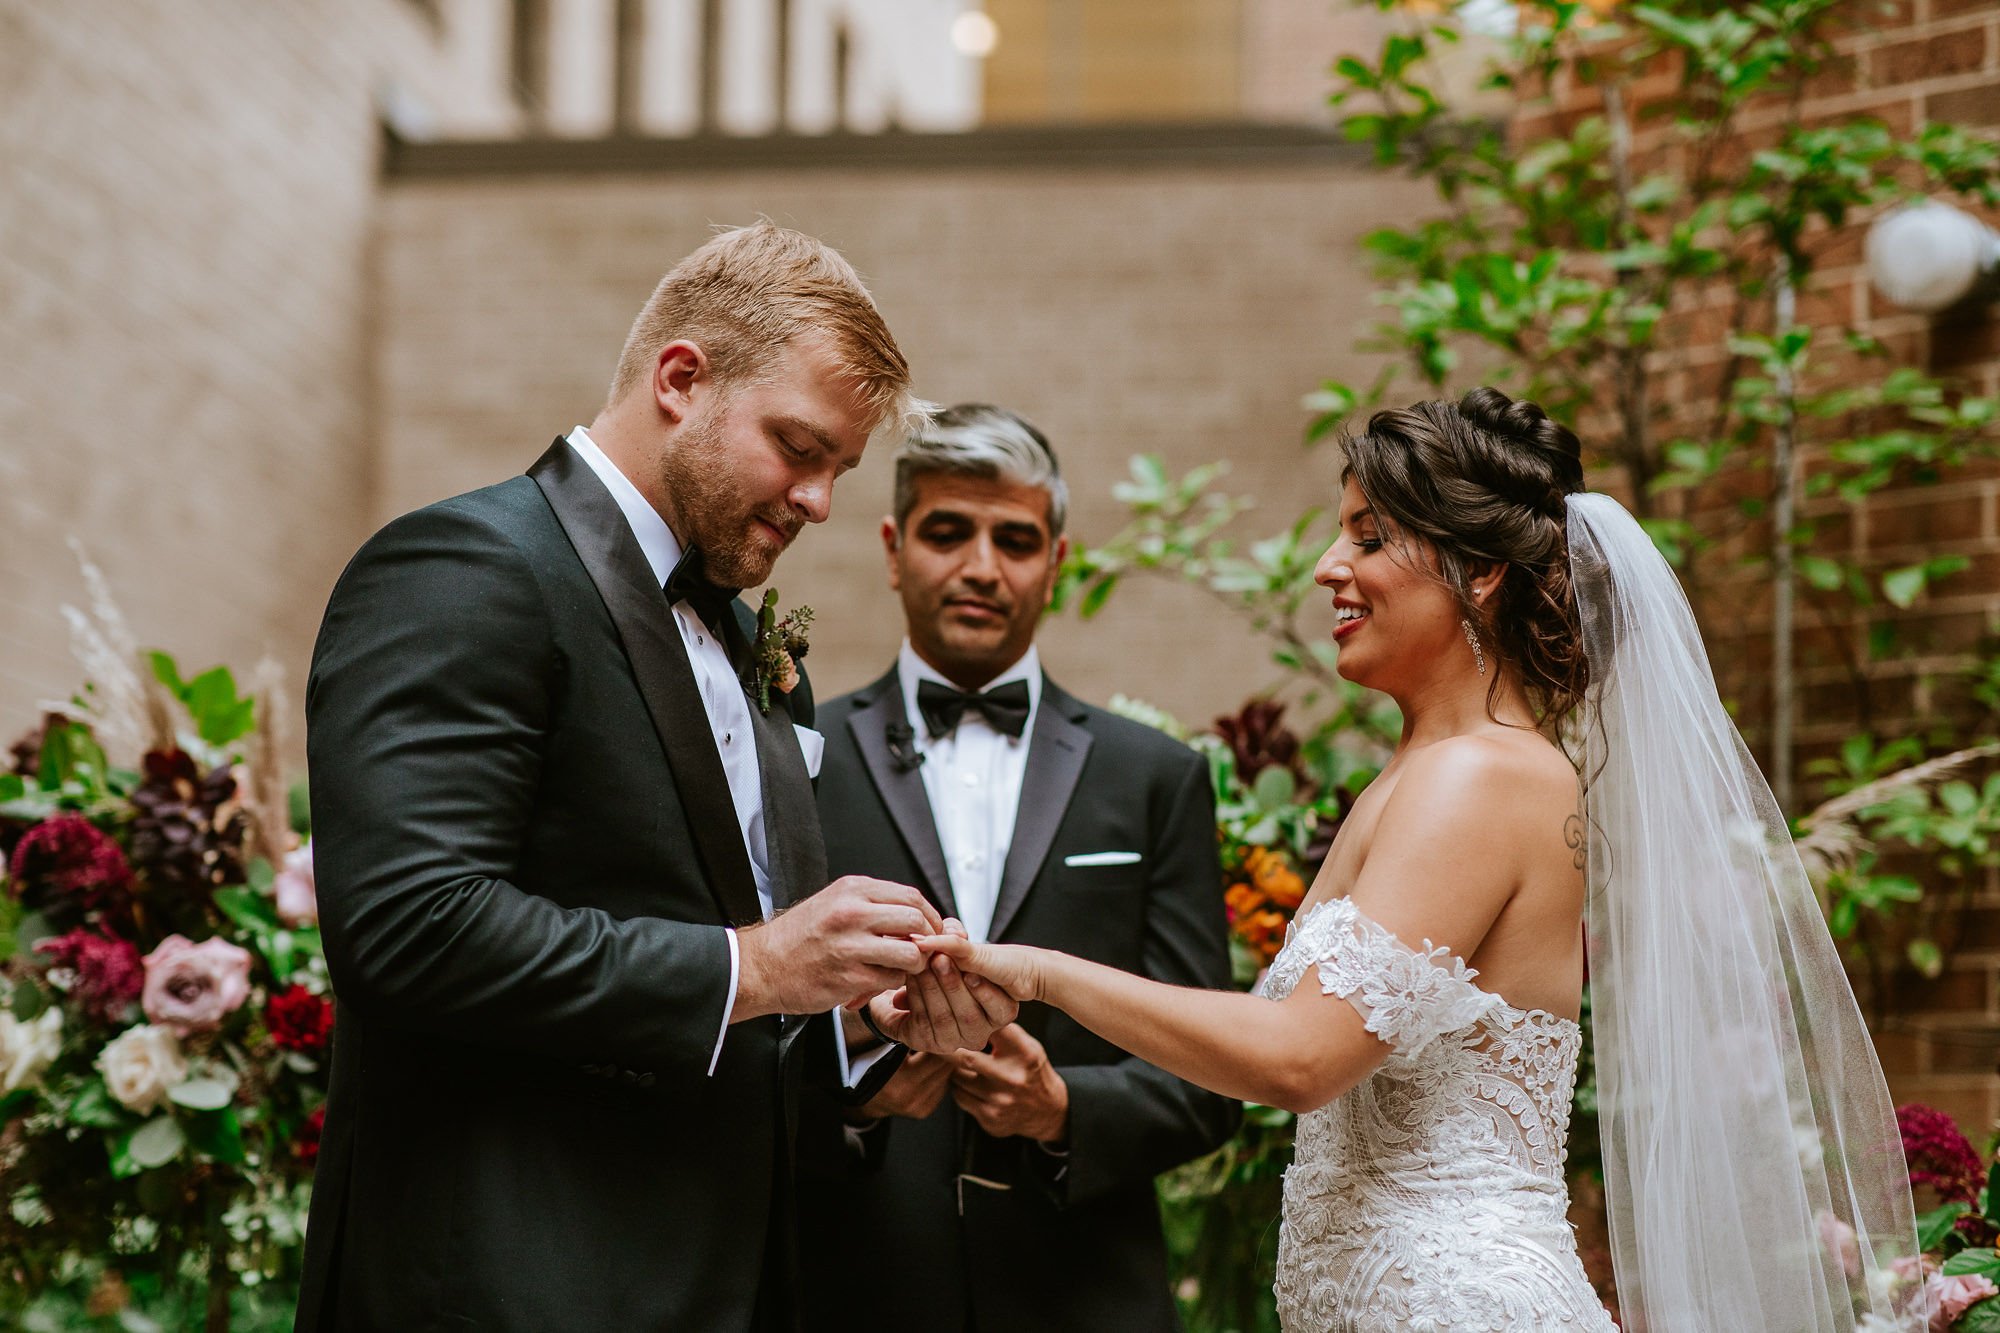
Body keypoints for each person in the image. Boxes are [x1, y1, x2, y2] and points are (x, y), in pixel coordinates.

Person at [923, 388, 1924, 1331]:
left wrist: (1038, 969)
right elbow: (1265, 1043)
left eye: (1367, 536)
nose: (1327, 565)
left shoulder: (1480, 779)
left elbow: (1300, 1057)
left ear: (1476, 571)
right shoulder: (1418, 777)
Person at [297, 223, 1016, 1333]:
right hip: (514, 1282)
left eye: (838, 469)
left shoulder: (755, 645)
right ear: (681, 380)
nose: (819, 501)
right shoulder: (463, 569)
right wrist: (761, 965)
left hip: (730, 1280)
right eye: (798, 446)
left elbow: (715, 953)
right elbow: (409, 927)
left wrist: (858, 1019)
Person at [796, 405, 1240, 1331]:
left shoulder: (1156, 777)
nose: (982, 568)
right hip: (859, 1288)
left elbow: (1214, 1072)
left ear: (1058, 561)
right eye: (948, 532)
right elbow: (737, 1039)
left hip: (1087, 1293)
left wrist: (1063, 1108)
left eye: (1016, 539)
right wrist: (857, 1069)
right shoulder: (796, 760)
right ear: (892, 547)